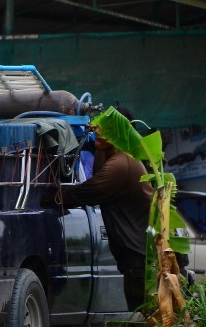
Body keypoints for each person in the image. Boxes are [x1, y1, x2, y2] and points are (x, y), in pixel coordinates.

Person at [57, 109, 153, 312]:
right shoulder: (120, 158)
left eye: (106, 128)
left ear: (118, 132)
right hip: (136, 258)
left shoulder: (121, 165)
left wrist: (46, 198)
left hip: (140, 259)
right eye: (99, 126)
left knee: (148, 316)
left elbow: (84, 192)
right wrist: (100, 146)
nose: (99, 131)